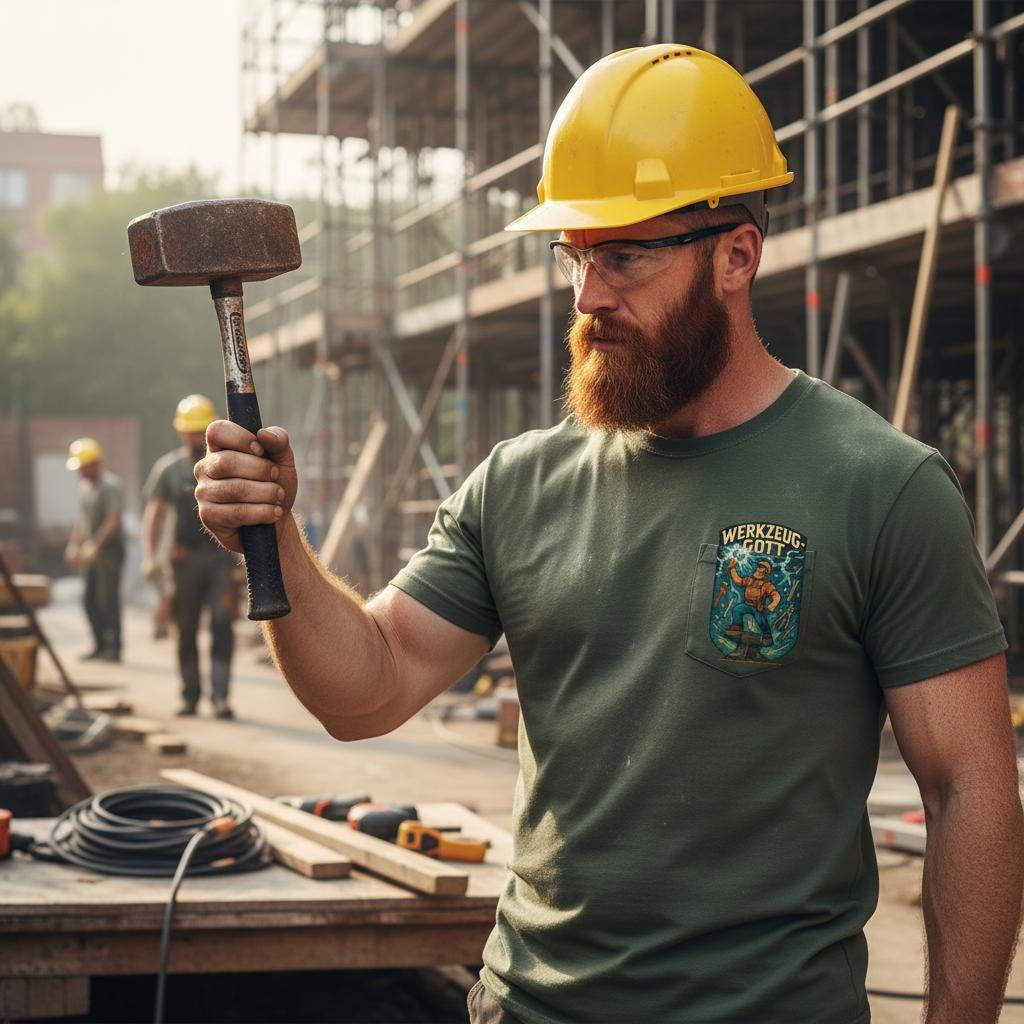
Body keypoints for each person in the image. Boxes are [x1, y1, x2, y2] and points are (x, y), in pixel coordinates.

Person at [193, 45, 1024, 1024]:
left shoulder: (882, 487)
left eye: (624, 256)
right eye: (576, 257)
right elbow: (366, 688)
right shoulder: (519, 484)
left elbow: (968, 788)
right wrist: (277, 536)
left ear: (737, 256)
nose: (588, 296)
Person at [143, 395, 240, 719]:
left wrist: (244, 562)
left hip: (221, 560)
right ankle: (190, 696)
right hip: (184, 561)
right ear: (180, 431)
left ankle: (220, 697)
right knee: (185, 629)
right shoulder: (168, 471)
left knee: (222, 625)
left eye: (201, 431)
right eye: (190, 431)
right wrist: (151, 556)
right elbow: (155, 514)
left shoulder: (226, 467)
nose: (196, 438)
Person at [65, 437, 123, 662]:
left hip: (109, 552)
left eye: (83, 467)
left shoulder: (110, 486)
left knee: (108, 601)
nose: (80, 471)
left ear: (94, 464)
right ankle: (100, 645)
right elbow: (82, 520)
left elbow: (113, 520)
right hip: (91, 553)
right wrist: (74, 546)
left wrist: (95, 545)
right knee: (89, 601)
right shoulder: (84, 488)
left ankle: (114, 648)